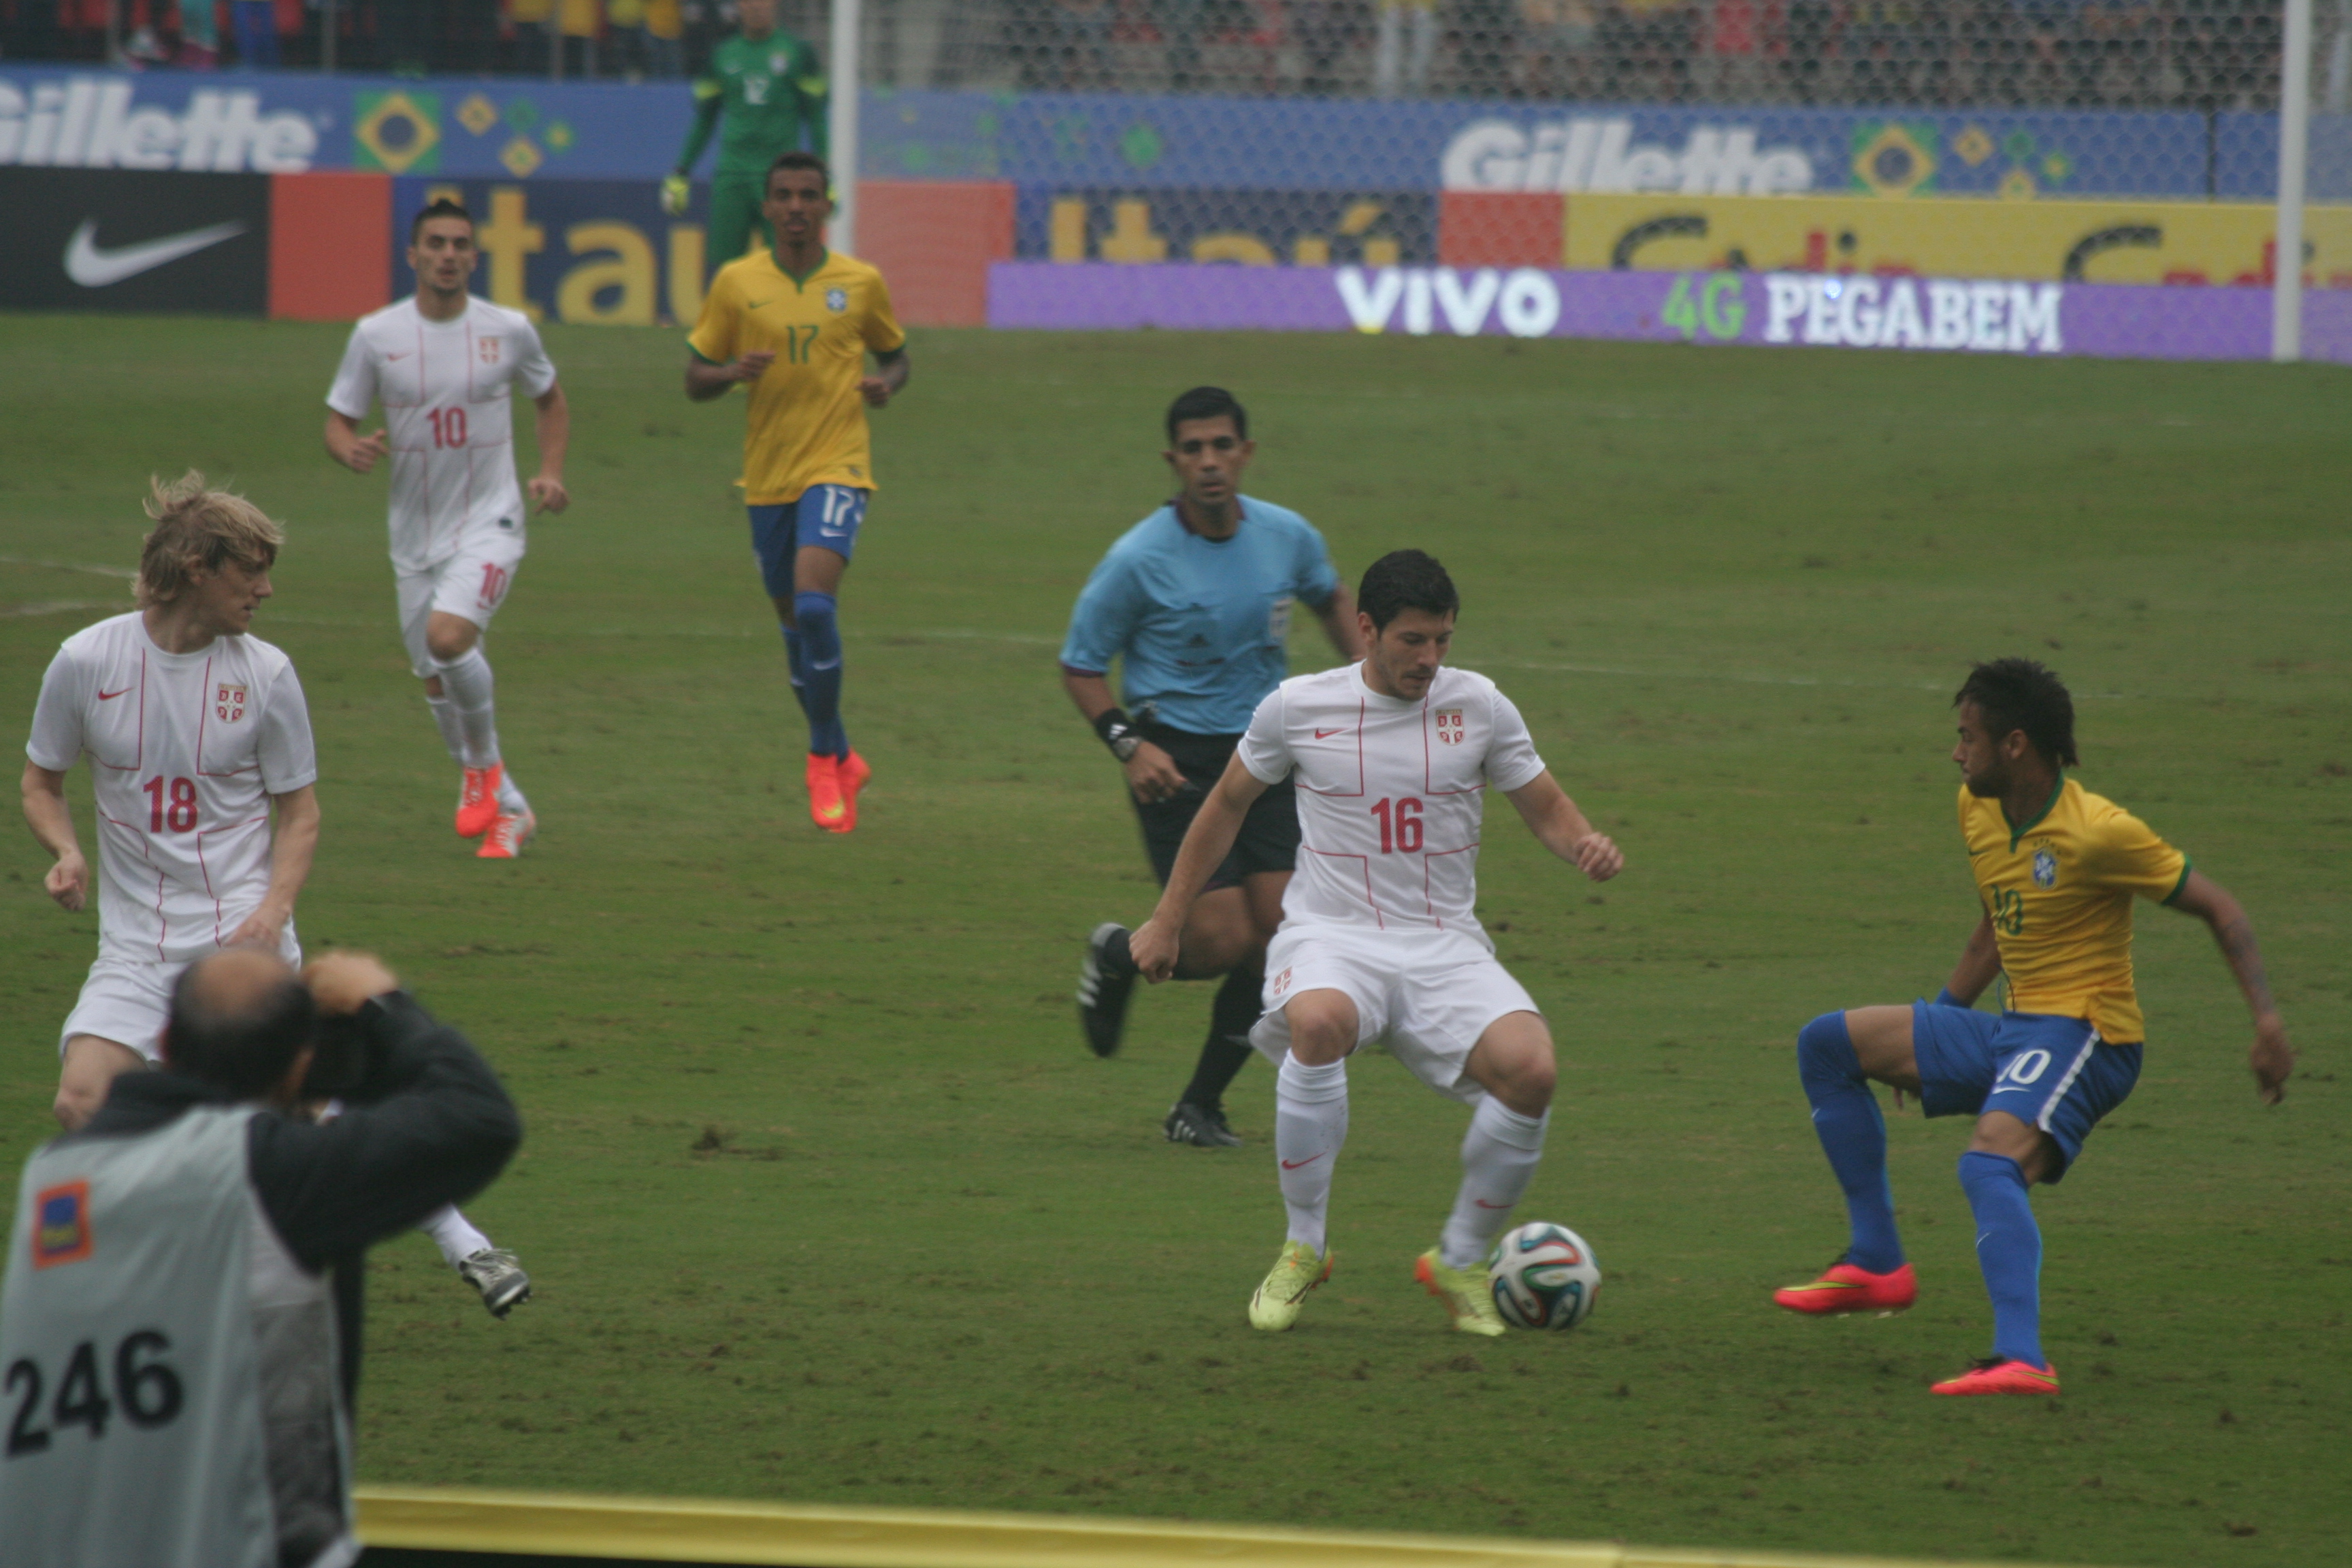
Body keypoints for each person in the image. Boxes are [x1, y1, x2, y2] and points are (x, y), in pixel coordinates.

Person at [22, 472, 532, 1319]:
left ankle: (467, 1244)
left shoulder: (266, 675)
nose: (265, 590)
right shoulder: (87, 661)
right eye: (250, 572)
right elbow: (41, 781)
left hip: (241, 950)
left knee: (308, 1114)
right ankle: (191, 1246)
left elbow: (300, 813)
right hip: (136, 951)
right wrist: (67, 850)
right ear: (196, 568)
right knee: (82, 1102)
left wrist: (273, 912)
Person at [1130, 551, 1624, 1333]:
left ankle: (1458, 1258)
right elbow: (1224, 805)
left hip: (1444, 945)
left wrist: (1584, 844)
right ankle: (1305, 1247)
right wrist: (1167, 918)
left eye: (1443, 641)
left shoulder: (1480, 705)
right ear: (1367, 629)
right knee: (1318, 1022)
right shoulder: (1298, 707)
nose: (1430, 659)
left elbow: (1547, 809)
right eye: (1413, 640)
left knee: (1533, 1073)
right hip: (1334, 935)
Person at [1772, 658, 2296, 1396]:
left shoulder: (2100, 833)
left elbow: (2221, 907)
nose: (1956, 753)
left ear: (2015, 744)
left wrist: (2267, 1023)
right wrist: (1940, 1020)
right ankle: (1877, 1262)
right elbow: (1998, 924)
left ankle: (2021, 1357)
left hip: (2092, 1036)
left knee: (1989, 1163)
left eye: (1968, 737)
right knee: (1827, 1046)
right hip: (2017, 1031)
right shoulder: (1978, 808)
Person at [0, 947, 521, 1568]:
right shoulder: (268, 1175)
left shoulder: (53, 1178)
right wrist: (383, 1004)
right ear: (300, 1066)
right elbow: (478, 1118)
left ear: (164, 1042)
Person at [1064, 387, 1360, 1148]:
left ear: (1245, 453)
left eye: (1222, 446)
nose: (1209, 462)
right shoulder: (1138, 560)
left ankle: (1198, 1107)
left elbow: (1331, 598)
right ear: (1173, 461)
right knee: (1223, 939)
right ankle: (1119, 955)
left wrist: (1374, 685)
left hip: (1268, 750)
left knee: (1284, 935)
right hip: (1176, 761)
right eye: (1193, 449)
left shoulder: (1287, 536)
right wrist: (1130, 746)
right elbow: (1081, 666)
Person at [325, 197, 572, 862]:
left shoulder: (508, 330)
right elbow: (339, 419)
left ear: (474, 256)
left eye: (460, 243)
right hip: (413, 535)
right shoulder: (376, 335)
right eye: (436, 243)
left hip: (492, 520)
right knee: (435, 680)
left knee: (449, 638)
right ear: (413, 255)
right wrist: (348, 448)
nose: (448, 254)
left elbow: (549, 399)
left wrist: (550, 471)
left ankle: (481, 769)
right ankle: (511, 811)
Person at [685, 150, 909, 833]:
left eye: (808, 196)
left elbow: (896, 356)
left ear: (827, 205)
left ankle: (818, 759)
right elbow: (694, 377)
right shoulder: (737, 282)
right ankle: (843, 754)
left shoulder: (860, 282)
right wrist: (732, 372)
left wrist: (885, 386)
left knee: (814, 606)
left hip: (839, 464)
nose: (795, 207)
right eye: (783, 195)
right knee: (792, 627)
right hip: (767, 477)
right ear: (767, 206)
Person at [660, 0, 826, 274]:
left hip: (781, 179)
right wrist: (681, 171)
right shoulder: (723, 54)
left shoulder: (798, 52)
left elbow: (816, 117)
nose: (756, 7)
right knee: (726, 270)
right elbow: (705, 119)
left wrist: (824, 172)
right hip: (732, 176)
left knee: (788, 266)